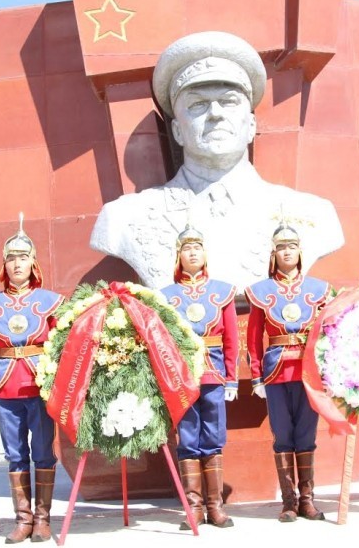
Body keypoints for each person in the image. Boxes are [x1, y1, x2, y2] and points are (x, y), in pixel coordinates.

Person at [90, 31, 344, 293]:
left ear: (251, 126)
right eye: (198, 105)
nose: (215, 114)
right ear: (177, 130)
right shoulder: (126, 217)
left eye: (229, 102)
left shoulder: (312, 213)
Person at [0, 215, 64, 544]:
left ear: (33, 263)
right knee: (14, 455)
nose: (16, 264)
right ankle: (23, 519)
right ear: (4, 264)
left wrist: (57, 386)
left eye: (22, 257)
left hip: (39, 387)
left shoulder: (48, 302)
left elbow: (56, 348)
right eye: (11, 258)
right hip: (6, 389)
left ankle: (42, 519)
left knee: (42, 452)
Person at [246, 221, 330, 523]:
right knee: (283, 435)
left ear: (300, 251)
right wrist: (256, 376)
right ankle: (289, 502)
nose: (287, 251)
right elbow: (254, 338)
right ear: (273, 253)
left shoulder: (318, 289)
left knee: (306, 435)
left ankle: (308, 500)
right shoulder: (261, 291)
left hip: (308, 372)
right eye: (281, 246)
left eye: (292, 246)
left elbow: (328, 332)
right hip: (276, 372)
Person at [160, 226, 239, 529]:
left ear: (205, 254)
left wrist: (231, 379)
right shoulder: (165, 296)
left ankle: (214, 506)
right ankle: (193, 507)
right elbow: (162, 341)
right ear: (178, 256)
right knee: (188, 438)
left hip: (213, 374)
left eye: (197, 247)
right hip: (182, 378)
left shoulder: (222, 291)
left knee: (214, 439)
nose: (192, 252)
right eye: (186, 248)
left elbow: (232, 338)